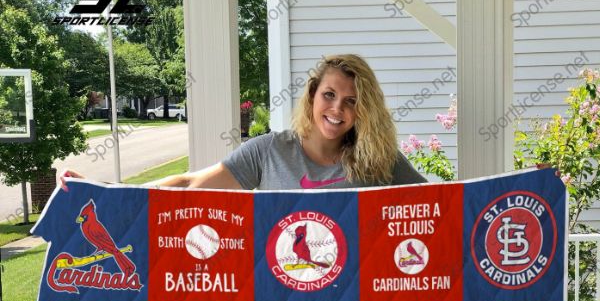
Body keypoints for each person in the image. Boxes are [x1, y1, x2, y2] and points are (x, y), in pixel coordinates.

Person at [62, 54, 427, 191]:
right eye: (329, 95)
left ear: (364, 110)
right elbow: (190, 184)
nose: (337, 109)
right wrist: (105, 190)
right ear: (313, 95)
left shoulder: (380, 159)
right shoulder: (269, 151)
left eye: (351, 101)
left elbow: (441, 206)